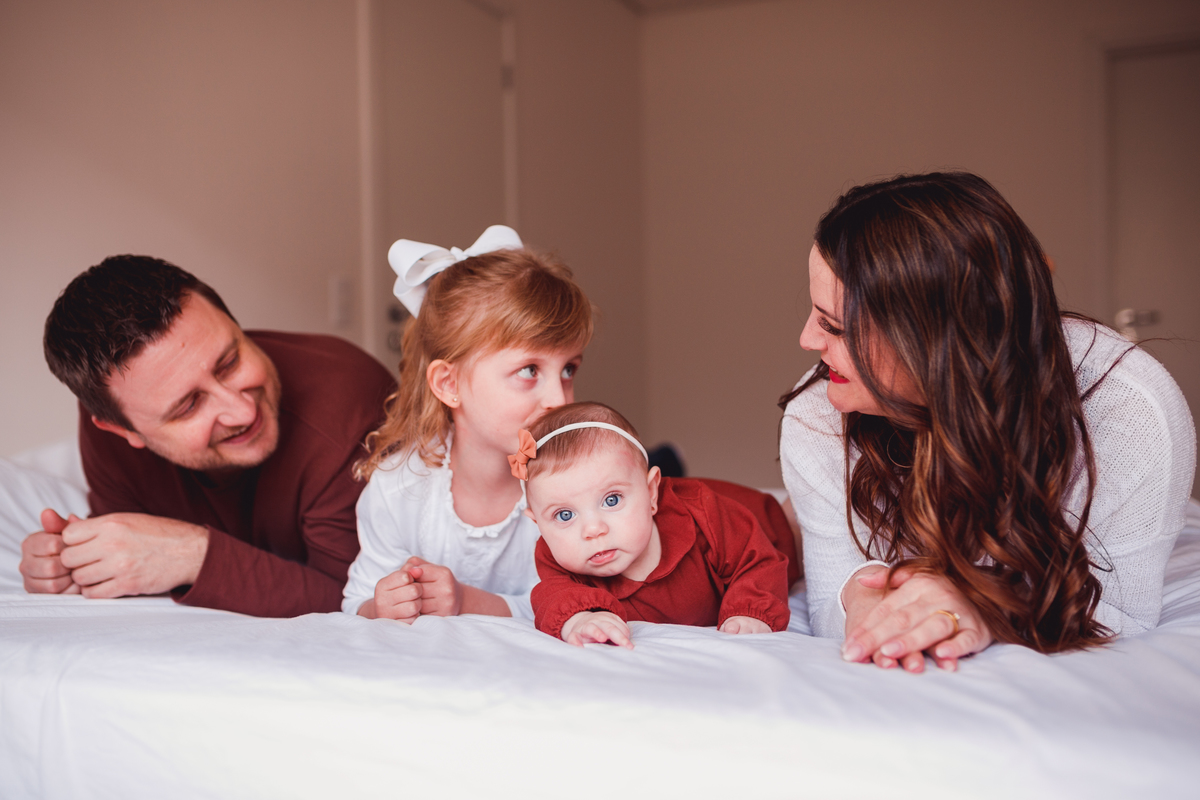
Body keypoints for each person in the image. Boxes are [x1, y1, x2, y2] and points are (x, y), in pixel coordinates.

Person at [780, 171, 1196, 673]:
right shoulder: (818, 415)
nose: (807, 340)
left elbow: (1123, 613)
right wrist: (863, 595)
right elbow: (830, 596)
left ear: (930, 341)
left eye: (833, 325)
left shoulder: (1129, 408)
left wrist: (986, 605)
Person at [18, 255, 395, 616]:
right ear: (123, 429)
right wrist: (70, 561)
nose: (243, 412)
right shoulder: (110, 430)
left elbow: (359, 599)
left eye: (229, 362)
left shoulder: (346, 402)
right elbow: (133, 546)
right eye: (188, 406)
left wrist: (190, 554)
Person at [343, 226, 594, 621]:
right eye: (529, 370)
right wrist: (380, 606)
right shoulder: (398, 488)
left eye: (568, 370)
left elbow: (587, 598)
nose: (559, 401)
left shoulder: (577, 484)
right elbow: (356, 600)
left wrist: (468, 602)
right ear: (450, 384)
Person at [520, 402, 792, 648]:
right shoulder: (556, 556)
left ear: (651, 492)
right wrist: (578, 619)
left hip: (766, 524)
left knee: (794, 528)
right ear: (538, 524)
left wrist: (751, 610)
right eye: (564, 515)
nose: (593, 530)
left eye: (612, 500)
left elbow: (756, 560)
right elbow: (553, 596)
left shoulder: (704, 513)